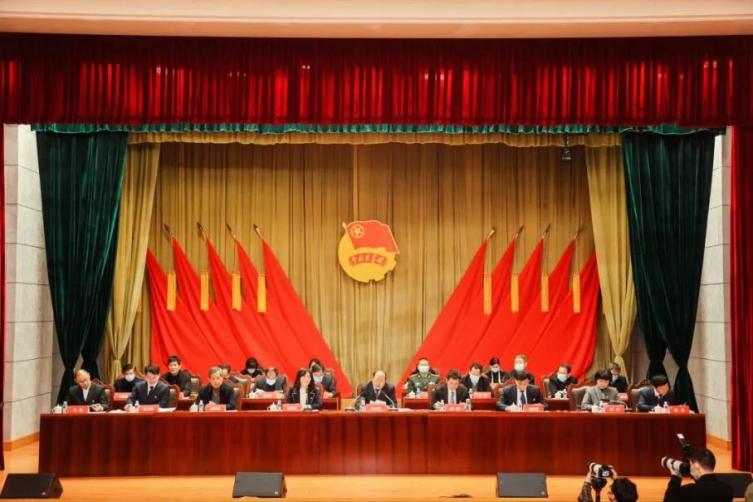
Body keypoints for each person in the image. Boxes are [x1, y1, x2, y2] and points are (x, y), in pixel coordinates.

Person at [663, 448, 734, 502]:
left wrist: (675, 478)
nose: (690, 468)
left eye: (691, 464)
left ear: (696, 465)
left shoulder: (688, 491)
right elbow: (706, 487)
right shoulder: (727, 490)